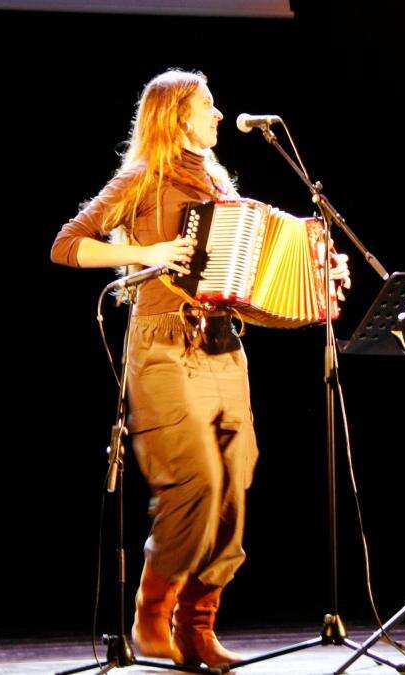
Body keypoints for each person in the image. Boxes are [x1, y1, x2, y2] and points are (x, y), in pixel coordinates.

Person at [50, 69, 347, 668]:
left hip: (222, 348)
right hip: (160, 347)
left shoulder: (216, 183)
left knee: (235, 484)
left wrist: (318, 286)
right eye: (208, 106)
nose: (218, 115)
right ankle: (152, 609)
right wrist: (145, 252)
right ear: (174, 116)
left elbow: (248, 293)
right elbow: (67, 244)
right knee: (197, 483)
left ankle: (197, 624)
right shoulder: (142, 178)